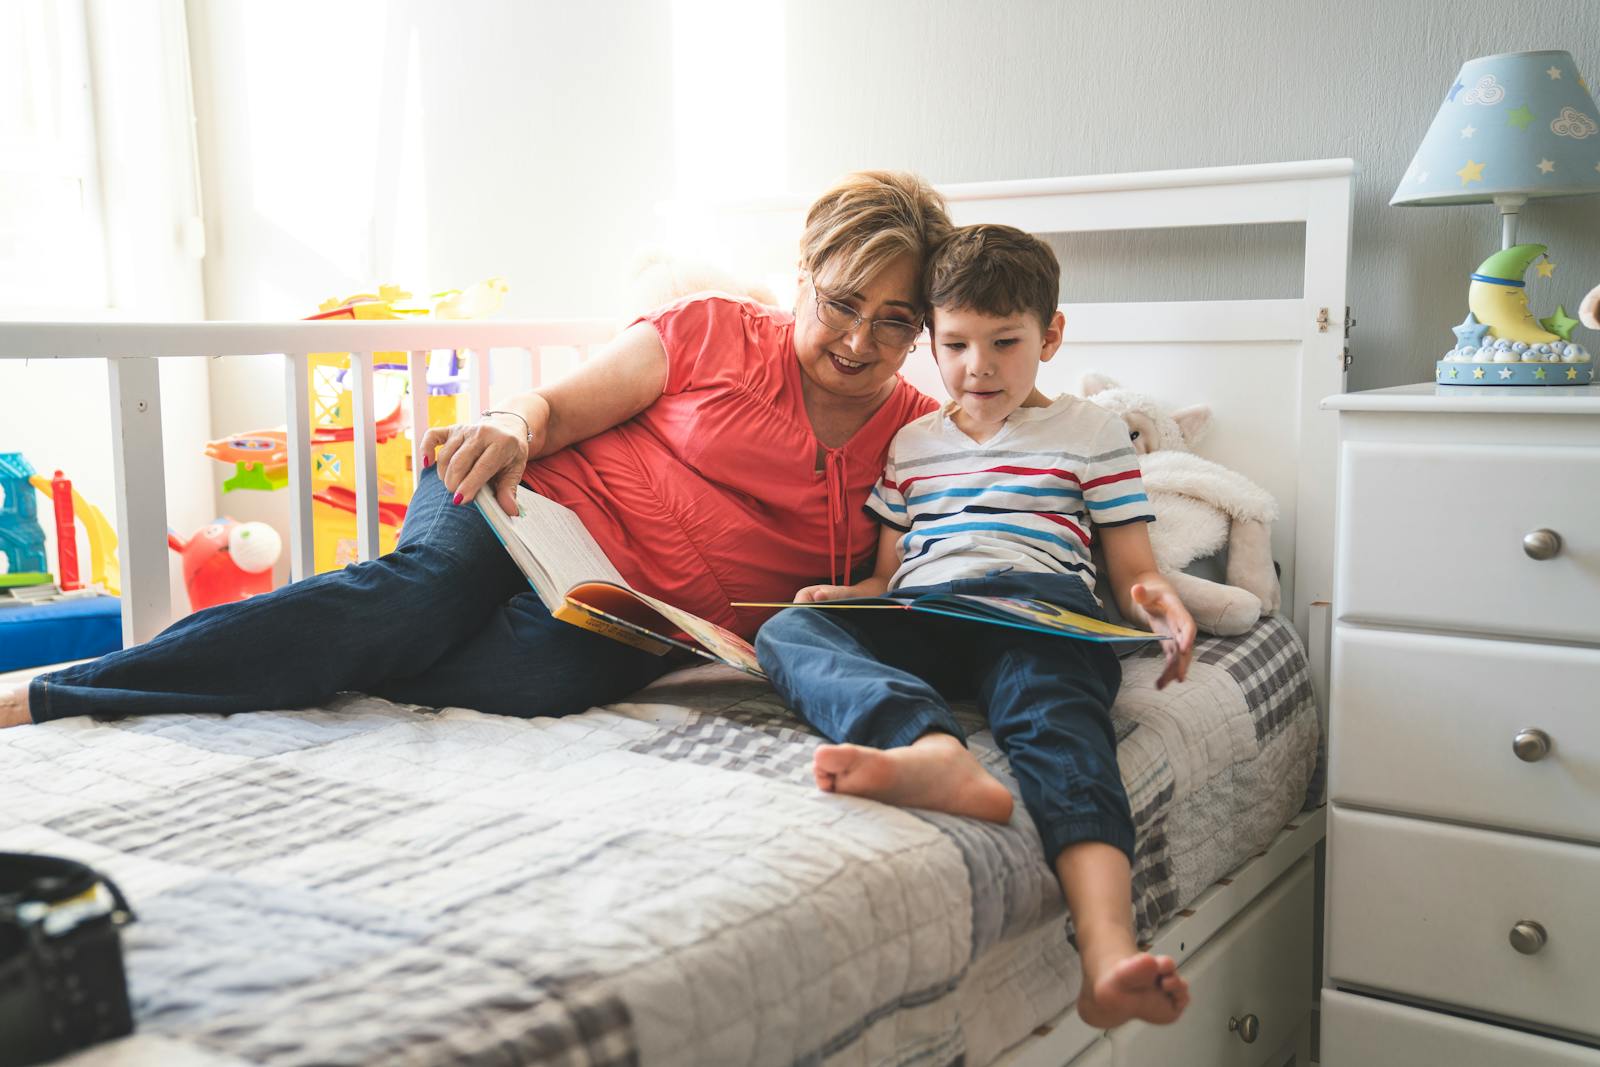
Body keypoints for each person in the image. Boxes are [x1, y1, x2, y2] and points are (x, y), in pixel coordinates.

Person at [0, 172, 951, 729]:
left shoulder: (916, 433)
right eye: (841, 306)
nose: (859, 342)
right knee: (415, 597)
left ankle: (294, 657)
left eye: (894, 321)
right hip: (523, 502)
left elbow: (903, 572)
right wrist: (508, 424)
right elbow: (553, 410)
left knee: (549, 679)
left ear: (925, 329)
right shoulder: (710, 329)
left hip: (633, 614)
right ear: (803, 278)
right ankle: (51, 695)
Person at [753, 224, 1197, 1029]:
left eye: (1004, 341)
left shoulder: (1090, 433)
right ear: (930, 342)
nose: (977, 366)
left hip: (1034, 612)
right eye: (954, 343)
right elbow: (888, 576)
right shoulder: (912, 443)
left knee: (1060, 728)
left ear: (1050, 337)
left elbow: (1132, 567)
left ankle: (1107, 953)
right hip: (926, 610)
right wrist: (842, 597)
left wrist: (1158, 601)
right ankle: (932, 751)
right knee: (789, 628)